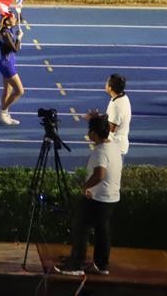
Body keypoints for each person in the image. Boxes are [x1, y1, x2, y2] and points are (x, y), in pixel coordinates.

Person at [55, 112, 123, 277]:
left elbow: (100, 173)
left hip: (98, 198)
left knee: (80, 227)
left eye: (89, 131)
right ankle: (102, 264)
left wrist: (85, 187)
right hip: (111, 197)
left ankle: (76, 264)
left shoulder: (100, 151)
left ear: (94, 134)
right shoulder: (113, 145)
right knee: (102, 230)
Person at [0, 11, 25, 125]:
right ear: (7, 20)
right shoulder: (5, 33)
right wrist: (19, 38)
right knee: (20, 91)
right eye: (12, 18)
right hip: (7, 65)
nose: (15, 20)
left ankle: (5, 114)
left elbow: (20, 20)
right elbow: (15, 49)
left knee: (7, 90)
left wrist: (19, 10)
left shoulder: (8, 29)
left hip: (9, 62)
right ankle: (3, 111)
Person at [106, 73, 131, 156]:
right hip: (116, 146)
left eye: (107, 82)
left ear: (110, 88)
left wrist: (95, 121)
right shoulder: (122, 97)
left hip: (115, 148)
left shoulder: (116, 106)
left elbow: (111, 127)